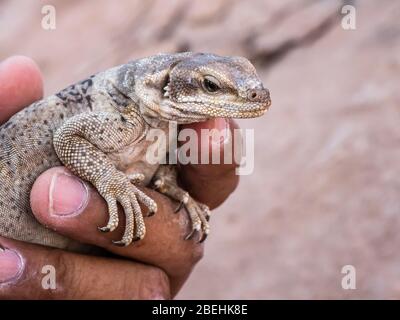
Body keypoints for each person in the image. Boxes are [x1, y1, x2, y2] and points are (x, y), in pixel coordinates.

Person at [0, 56, 239, 299]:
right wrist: (110, 181)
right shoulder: (127, 117)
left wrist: (169, 184)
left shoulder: (162, 119)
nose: (252, 95)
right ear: (168, 87)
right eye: (210, 86)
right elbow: (68, 138)